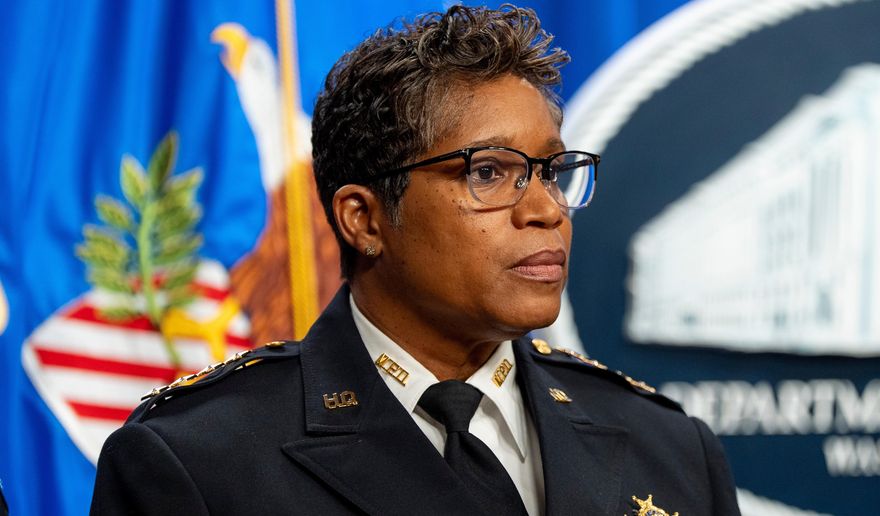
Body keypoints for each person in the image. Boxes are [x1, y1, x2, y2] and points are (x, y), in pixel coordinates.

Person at [90, 5, 740, 515]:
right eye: (489, 172)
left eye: (550, 171)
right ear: (364, 219)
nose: (545, 209)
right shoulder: (198, 459)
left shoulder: (670, 449)